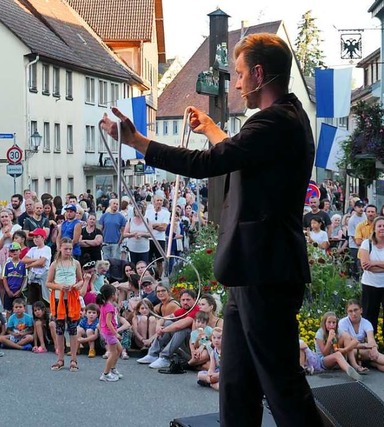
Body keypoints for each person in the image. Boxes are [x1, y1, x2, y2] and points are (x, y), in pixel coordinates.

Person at [101, 32, 323, 426]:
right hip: (251, 272)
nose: (236, 83)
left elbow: (210, 163)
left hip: (264, 274)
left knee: (283, 386)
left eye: (239, 74)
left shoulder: (275, 123)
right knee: (237, 386)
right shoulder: (282, 120)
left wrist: (138, 141)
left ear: (258, 74)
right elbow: (237, 155)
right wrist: (211, 129)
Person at [46, 238, 83, 372]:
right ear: (60, 248)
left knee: (73, 330)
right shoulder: (55, 264)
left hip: (72, 300)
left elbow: (81, 280)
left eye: (70, 249)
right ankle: (60, 359)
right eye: (65, 248)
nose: (68, 251)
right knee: (60, 330)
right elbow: (48, 282)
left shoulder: (76, 263)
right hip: (58, 300)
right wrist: (60, 287)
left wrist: (75, 286)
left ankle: (73, 359)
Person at [338, 299, 384, 372]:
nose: (353, 313)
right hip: (347, 351)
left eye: (356, 310)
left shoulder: (366, 323)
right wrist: (365, 345)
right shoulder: (343, 322)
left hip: (361, 352)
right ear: (347, 312)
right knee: (369, 353)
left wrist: (374, 348)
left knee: (377, 363)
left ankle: (370, 362)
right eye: (350, 311)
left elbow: (371, 339)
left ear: (361, 310)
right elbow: (348, 344)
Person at [314, 311, 362, 381]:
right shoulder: (319, 334)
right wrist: (329, 340)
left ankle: (354, 365)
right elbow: (325, 354)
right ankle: (350, 371)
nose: (331, 325)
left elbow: (355, 341)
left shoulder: (338, 331)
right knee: (337, 355)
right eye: (329, 322)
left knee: (346, 336)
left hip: (337, 354)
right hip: (323, 361)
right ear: (324, 323)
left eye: (334, 323)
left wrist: (345, 349)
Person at [358, 216, 384, 337]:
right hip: (370, 285)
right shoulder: (366, 243)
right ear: (374, 228)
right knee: (369, 316)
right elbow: (365, 266)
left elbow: (370, 265)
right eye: (379, 226)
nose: (382, 228)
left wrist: (374, 263)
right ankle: (370, 344)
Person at [96, 284, 122, 382]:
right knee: (113, 352)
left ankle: (113, 369)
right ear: (112, 295)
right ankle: (106, 374)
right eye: (116, 293)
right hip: (109, 333)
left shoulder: (104, 305)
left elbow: (101, 318)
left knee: (119, 349)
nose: (117, 295)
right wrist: (115, 333)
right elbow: (108, 322)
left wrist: (99, 326)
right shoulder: (110, 307)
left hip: (106, 331)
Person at [2, 242, 27, 316]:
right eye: (12, 251)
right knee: (8, 310)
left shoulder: (23, 264)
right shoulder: (7, 264)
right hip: (9, 291)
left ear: (20, 251)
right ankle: (9, 326)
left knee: (20, 309)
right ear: (9, 252)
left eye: (16, 250)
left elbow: (25, 278)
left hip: (19, 291)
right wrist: (7, 290)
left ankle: (21, 326)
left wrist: (20, 290)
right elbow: (4, 278)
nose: (15, 252)